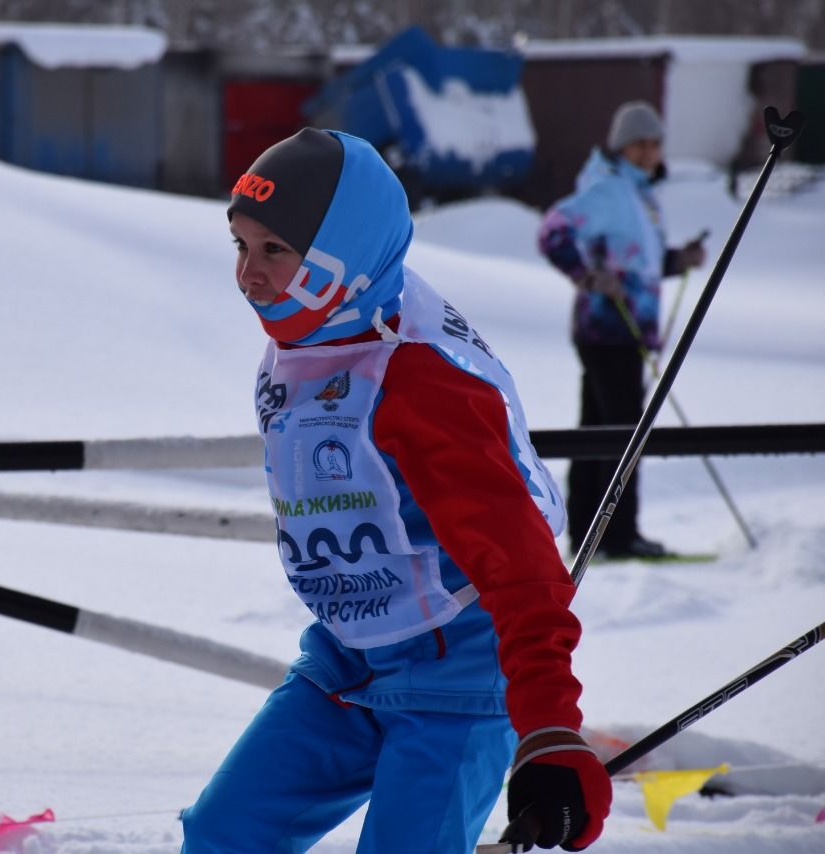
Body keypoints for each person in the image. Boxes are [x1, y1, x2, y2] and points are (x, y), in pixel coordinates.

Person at [180, 128, 611, 853]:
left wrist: (549, 728)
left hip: (457, 681)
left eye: (275, 252)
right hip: (348, 659)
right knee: (226, 835)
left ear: (340, 261)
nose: (248, 276)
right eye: (241, 247)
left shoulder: (418, 381)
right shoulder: (320, 326)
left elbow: (523, 570)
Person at [538, 101, 706, 560]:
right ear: (621, 146)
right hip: (608, 329)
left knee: (599, 428)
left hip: (622, 329)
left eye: (655, 143)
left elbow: (634, 266)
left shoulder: (640, 196)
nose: (650, 152)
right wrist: (586, 276)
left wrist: (677, 259)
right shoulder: (609, 191)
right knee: (625, 433)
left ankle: (590, 534)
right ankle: (618, 535)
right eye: (640, 144)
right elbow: (552, 232)